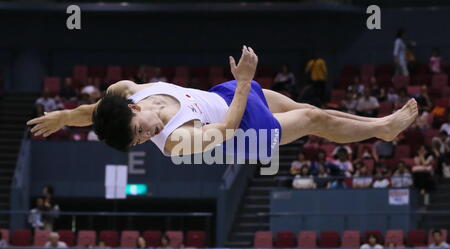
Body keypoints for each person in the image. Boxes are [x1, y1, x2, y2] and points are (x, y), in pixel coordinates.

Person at [27, 46, 418, 166]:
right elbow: (227, 130)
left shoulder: (125, 89)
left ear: (130, 106)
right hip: (243, 134)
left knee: (305, 105)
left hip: (223, 95)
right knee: (314, 118)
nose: (147, 137)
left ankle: (379, 121)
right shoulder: (176, 141)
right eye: (140, 142)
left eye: (139, 130)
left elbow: (90, 112)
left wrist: (63, 117)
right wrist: (247, 82)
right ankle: (383, 129)